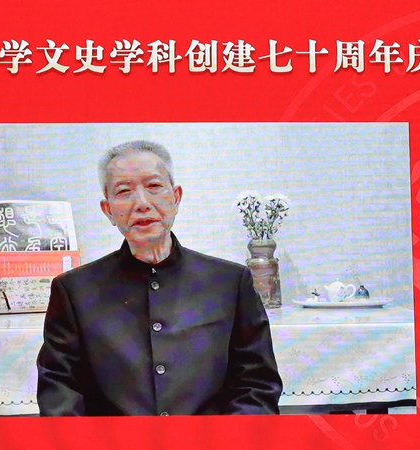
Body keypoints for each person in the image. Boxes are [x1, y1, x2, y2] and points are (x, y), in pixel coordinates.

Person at [36, 140, 282, 416]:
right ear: (108, 210)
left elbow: (257, 384)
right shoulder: (74, 291)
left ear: (176, 197)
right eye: (124, 191)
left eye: (154, 186)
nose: (142, 203)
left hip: (210, 442)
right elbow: (60, 390)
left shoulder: (230, 283)